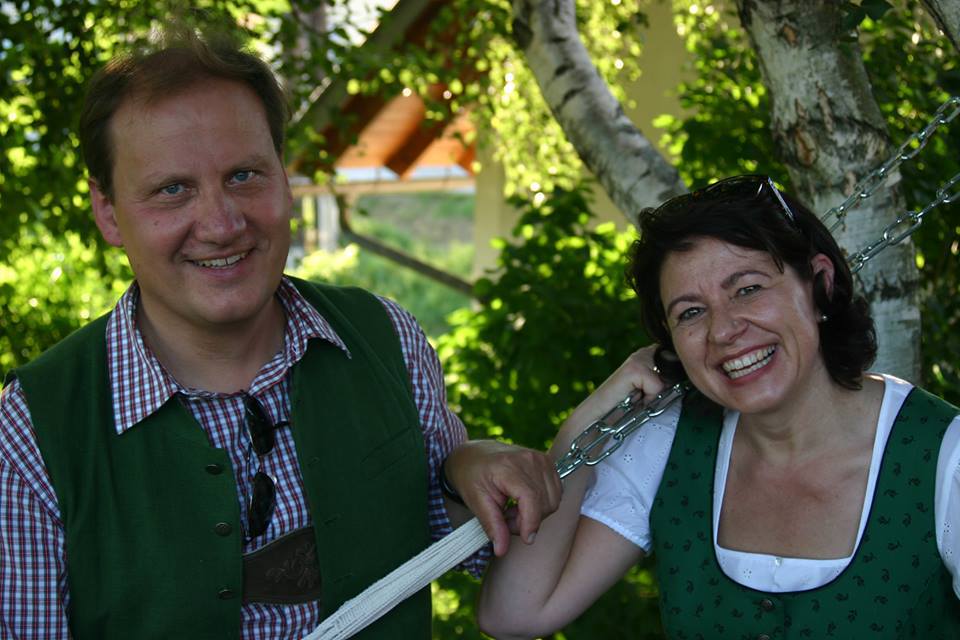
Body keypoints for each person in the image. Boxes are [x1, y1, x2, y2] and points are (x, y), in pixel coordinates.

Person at [0, 28, 562, 639]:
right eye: (172, 189)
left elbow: (473, 546)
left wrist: (467, 463)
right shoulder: (32, 431)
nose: (220, 223)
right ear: (108, 213)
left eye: (244, 175)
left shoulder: (387, 339)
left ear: (284, 178)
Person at [477, 175, 960, 638]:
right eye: (690, 313)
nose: (723, 331)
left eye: (747, 288)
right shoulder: (669, 444)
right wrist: (585, 422)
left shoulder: (943, 458)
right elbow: (514, 614)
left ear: (818, 284)